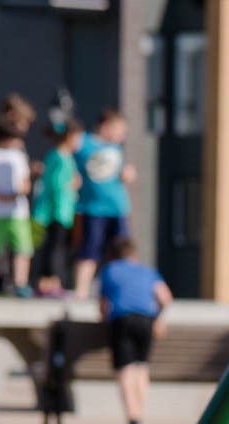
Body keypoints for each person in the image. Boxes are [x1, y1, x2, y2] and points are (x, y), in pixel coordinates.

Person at [97, 237, 172, 424]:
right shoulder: (147, 271)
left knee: (126, 371)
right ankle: (139, 416)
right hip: (146, 321)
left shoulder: (109, 270)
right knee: (141, 368)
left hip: (122, 321)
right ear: (134, 254)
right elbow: (165, 297)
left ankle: (133, 420)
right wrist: (157, 319)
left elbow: (103, 306)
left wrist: (105, 321)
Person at [72, 108, 136, 298]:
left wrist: (127, 175)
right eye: (119, 131)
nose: (122, 136)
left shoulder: (116, 149)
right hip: (93, 208)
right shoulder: (84, 142)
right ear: (107, 126)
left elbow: (118, 173)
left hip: (118, 208)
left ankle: (124, 290)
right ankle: (81, 290)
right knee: (90, 249)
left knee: (122, 251)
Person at [0, 120, 33, 297]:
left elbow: (25, 182)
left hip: (18, 212)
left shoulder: (19, 156)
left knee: (22, 247)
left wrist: (15, 194)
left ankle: (20, 283)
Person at [31, 120, 83, 296]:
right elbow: (57, 185)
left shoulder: (60, 156)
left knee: (55, 247)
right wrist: (73, 185)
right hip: (56, 211)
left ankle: (49, 283)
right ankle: (51, 283)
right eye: (78, 137)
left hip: (60, 211)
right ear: (69, 137)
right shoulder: (60, 157)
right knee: (55, 249)